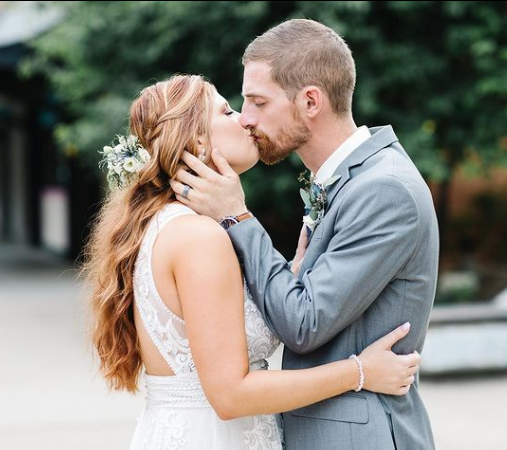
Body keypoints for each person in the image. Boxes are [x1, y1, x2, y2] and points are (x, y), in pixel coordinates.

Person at [82, 74, 422, 450]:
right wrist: (360, 372)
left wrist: (292, 276)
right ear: (196, 138)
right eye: (227, 111)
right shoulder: (199, 238)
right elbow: (231, 395)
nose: (244, 120)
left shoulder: (168, 225)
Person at [171, 19, 439, 450]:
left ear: (310, 101)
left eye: (258, 102)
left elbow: (304, 323)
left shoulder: (384, 190)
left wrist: (238, 217)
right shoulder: (344, 182)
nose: (246, 118)